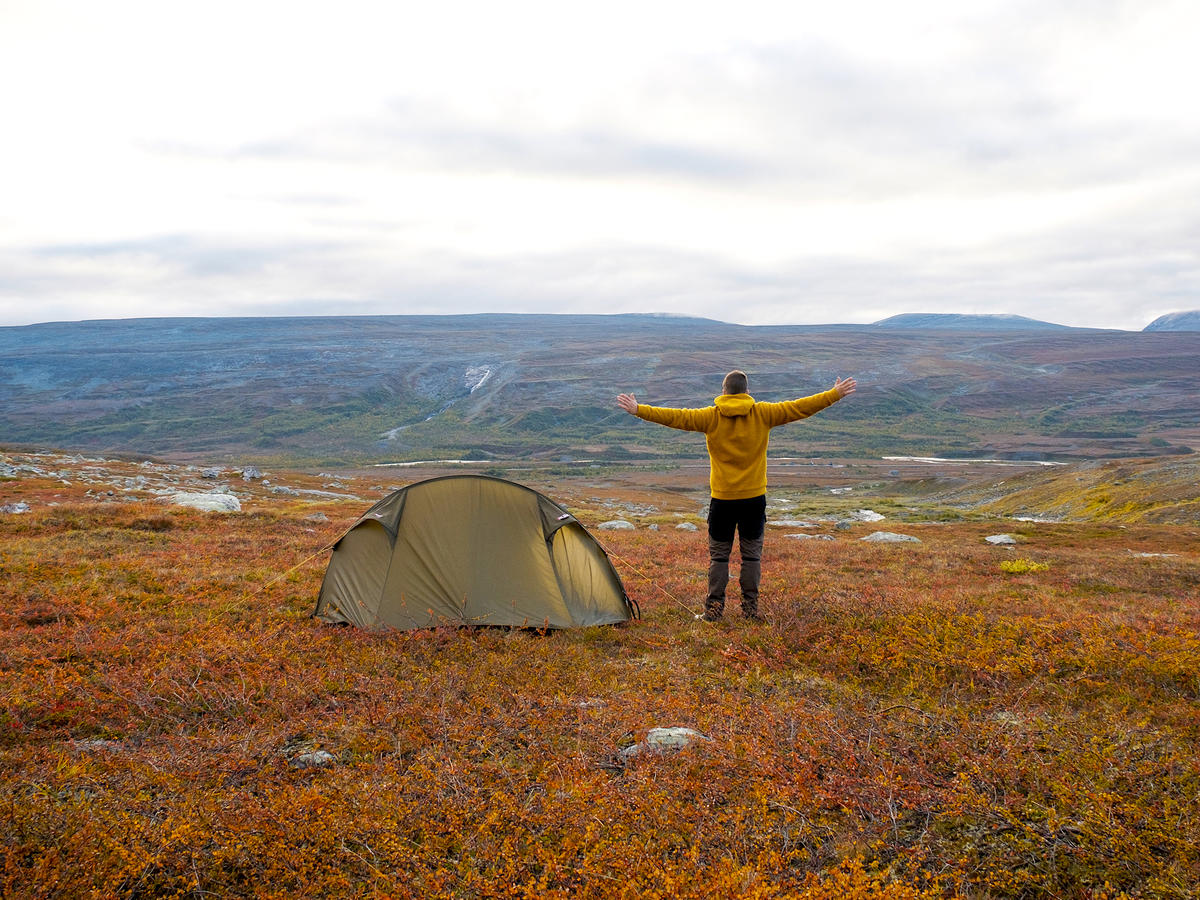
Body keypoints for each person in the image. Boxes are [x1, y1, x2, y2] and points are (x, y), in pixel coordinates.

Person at [616, 370, 857, 622]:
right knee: (751, 557)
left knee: (719, 557)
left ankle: (713, 612)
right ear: (747, 392)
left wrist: (638, 409)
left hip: (722, 500)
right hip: (754, 499)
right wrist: (834, 395)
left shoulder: (711, 416)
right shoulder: (764, 413)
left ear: (723, 391)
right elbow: (800, 407)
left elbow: (675, 417)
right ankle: (750, 612)